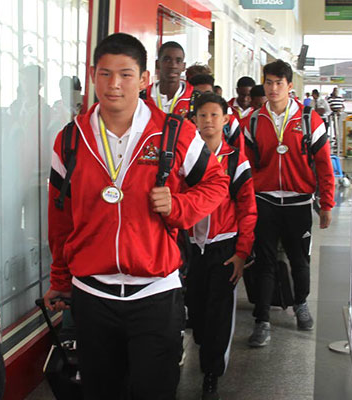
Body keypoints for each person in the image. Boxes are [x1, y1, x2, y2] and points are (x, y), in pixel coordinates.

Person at [44, 32, 228, 400]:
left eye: (126, 74)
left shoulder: (173, 133)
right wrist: (61, 278)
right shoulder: (70, 139)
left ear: (144, 80)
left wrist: (179, 207)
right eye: (105, 74)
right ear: (93, 75)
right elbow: (59, 216)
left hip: (156, 296)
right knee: (100, 391)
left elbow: (216, 183)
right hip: (92, 296)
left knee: (154, 390)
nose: (114, 85)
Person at [242, 60, 335, 347]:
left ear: (290, 86)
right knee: (265, 263)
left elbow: (323, 164)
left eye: (278, 83)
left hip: (298, 203)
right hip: (265, 201)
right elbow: (243, 166)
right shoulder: (253, 121)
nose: (272, 88)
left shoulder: (309, 120)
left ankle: (301, 304)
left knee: (300, 260)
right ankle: (262, 320)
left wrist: (327, 203)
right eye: (268, 83)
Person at [187, 93, 257, 400]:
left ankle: (211, 376)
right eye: (202, 115)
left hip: (223, 247)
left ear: (226, 120)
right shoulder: (185, 158)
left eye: (215, 115)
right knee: (198, 313)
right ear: (194, 120)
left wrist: (242, 252)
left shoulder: (235, 160)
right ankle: (204, 346)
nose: (208, 121)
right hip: (190, 249)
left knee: (218, 313)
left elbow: (248, 208)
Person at [146, 41, 196, 117]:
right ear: (157, 64)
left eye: (178, 61)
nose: (173, 65)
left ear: (184, 66)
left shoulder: (195, 99)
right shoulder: (142, 97)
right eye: (167, 60)